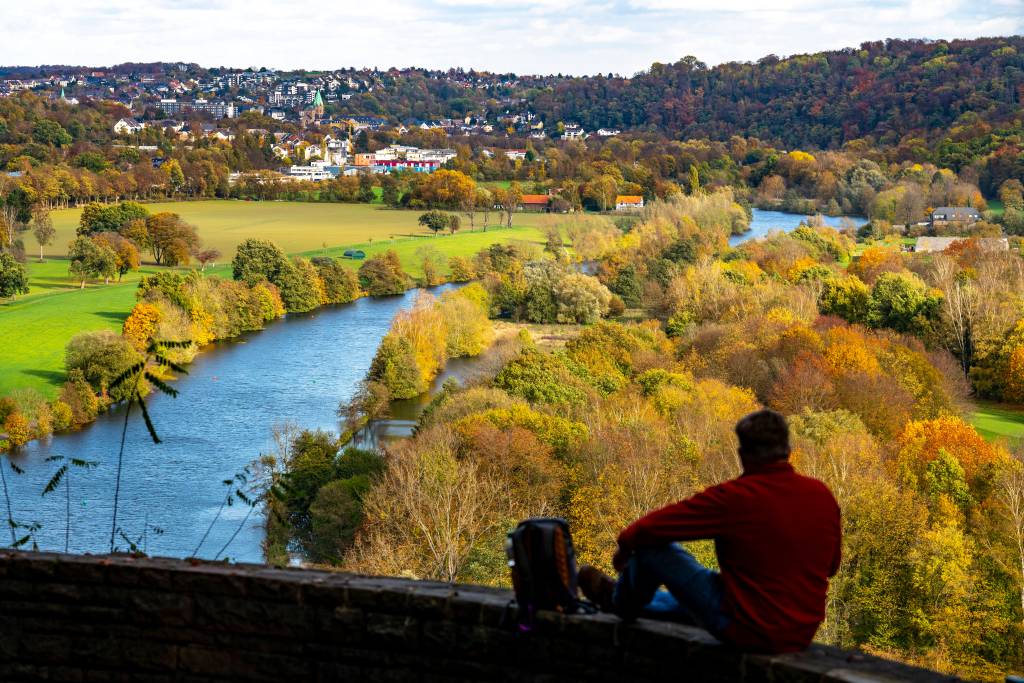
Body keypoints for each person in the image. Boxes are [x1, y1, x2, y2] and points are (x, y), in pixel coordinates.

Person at [578, 409, 841, 653]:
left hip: (747, 630)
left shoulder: (736, 498)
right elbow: (831, 567)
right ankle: (641, 603)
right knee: (713, 593)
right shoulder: (822, 496)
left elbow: (646, 530)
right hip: (800, 632)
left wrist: (625, 550)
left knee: (654, 550)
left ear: (742, 455)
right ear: (788, 450)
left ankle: (617, 602)